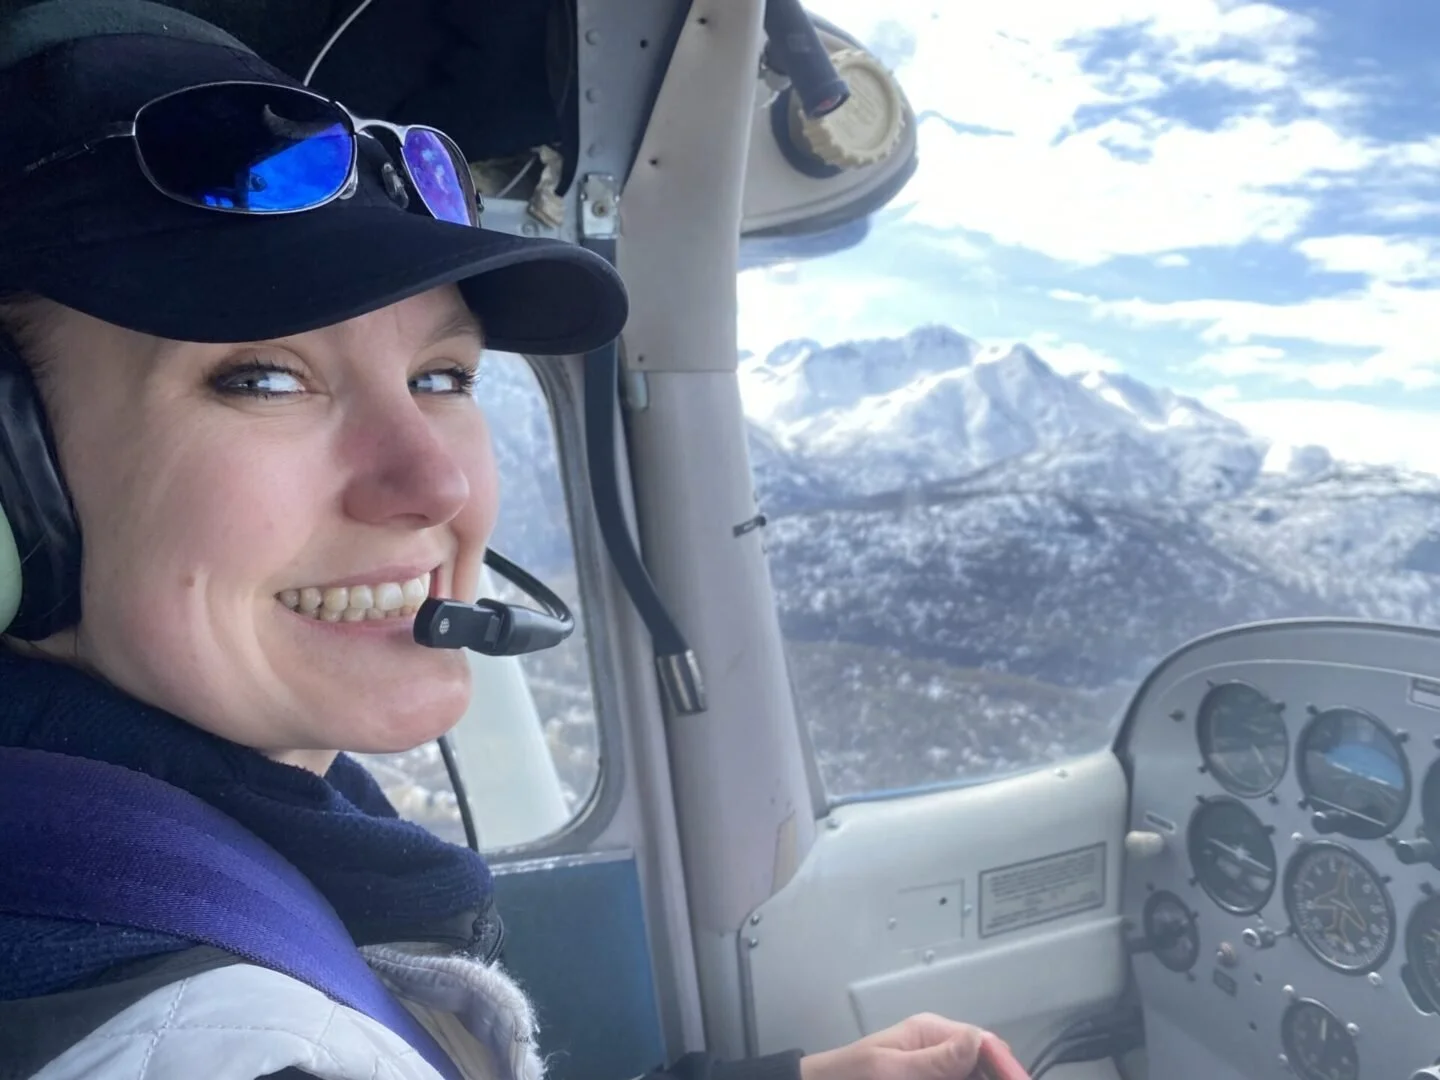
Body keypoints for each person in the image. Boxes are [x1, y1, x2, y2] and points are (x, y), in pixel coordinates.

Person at [0, 2, 1020, 1078]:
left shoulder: (156, 840)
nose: (436, 481)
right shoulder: (206, 1033)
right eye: (263, 378)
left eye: (442, 376)